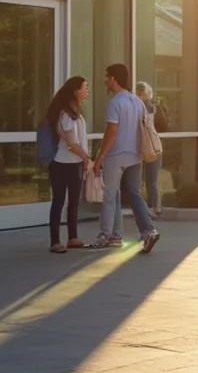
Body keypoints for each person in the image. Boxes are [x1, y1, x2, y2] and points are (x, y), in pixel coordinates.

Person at [93, 63, 161, 254]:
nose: (105, 80)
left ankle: (106, 235)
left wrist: (100, 157)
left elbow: (111, 132)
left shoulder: (115, 103)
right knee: (134, 193)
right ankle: (147, 230)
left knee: (110, 195)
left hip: (116, 156)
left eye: (107, 76)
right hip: (135, 156)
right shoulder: (137, 102)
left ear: (113, 79)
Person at [44, 76, 92, 254]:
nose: (87, 90)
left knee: (74, 201)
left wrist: (83, 159)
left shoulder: (76, 111)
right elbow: (71, 143)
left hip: (75, 163)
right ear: (75, 91)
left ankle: (73, 237)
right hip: (61, 163)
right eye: (85, 87)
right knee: (59, 201)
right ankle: (55, 241)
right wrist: (86, 158)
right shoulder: (66, 114)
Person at [136, 81, 164, 216]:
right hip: (146, 148)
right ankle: (151, 208)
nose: (138, 94)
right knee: (142, 182)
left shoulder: (147, 108)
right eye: (137, 91)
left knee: (150, 181)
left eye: (140, 92)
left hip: (151, 148)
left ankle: (154, 207)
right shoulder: (146, 108)